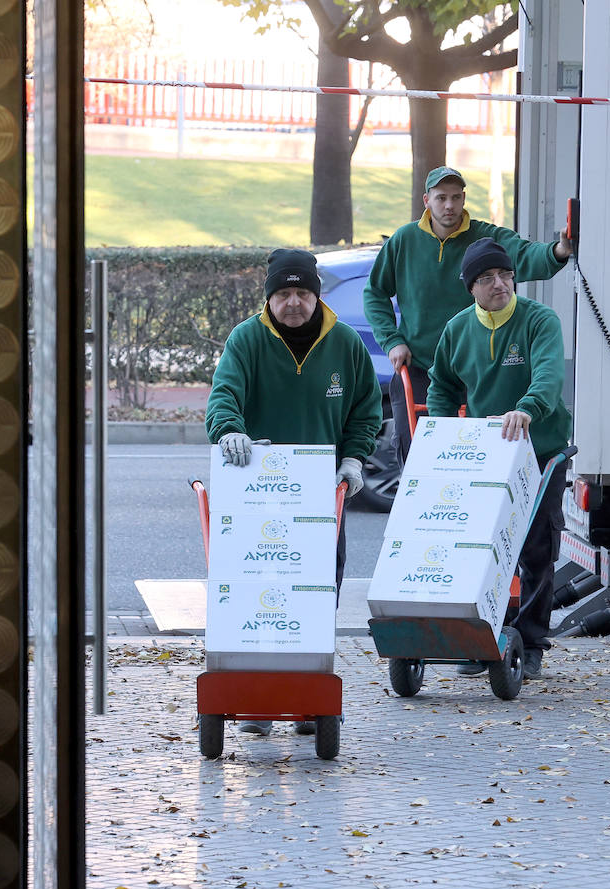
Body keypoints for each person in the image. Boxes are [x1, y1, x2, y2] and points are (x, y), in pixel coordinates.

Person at [205, 247, 384, 735]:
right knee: (258, 592)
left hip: (320, 494)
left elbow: (366, 408)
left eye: (302, 292)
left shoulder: (343, 344)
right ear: (270, 297)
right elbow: (224, 395)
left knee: (317, 593)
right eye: (282, 293)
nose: (292, 303)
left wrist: (353, 458)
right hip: (256, 494)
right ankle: (258, 701)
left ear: (316, 295)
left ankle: (310, 693)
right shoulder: (247, 339)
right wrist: (229, 431)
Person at [425, 238, 574, 680]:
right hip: (486, 454)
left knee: (536, 548)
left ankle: (530, 644)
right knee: (481, 549)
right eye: (487, 278)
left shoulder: (539, 320)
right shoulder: (457, 329)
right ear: (470, 287)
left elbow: (549, 376)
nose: (500, 284)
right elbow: (441, 387)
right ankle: (480, 639)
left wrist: (526, 408)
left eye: (506, 275)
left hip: (539, 450)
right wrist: (443, 432)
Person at [363, 166, 573, 461]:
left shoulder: (484, 238)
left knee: (481, 452)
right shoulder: (404, 240)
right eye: (441, 198)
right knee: (418, 450)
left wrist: (559, 251)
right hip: (421, 363)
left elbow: (524, 255)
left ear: (463, 199)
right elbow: (375, 292)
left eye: (456, 198)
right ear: (426, 200)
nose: (449, 206)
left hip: (476, 367)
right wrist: (391, 340)